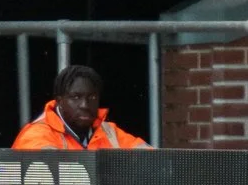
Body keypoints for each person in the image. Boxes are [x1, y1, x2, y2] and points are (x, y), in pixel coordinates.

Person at [14, 63, 151, 150]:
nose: (85, 105)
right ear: (59, 101)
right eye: (76, 97)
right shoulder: (36, 134)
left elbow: (155, 160)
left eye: (91, 97)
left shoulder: (109, 132)